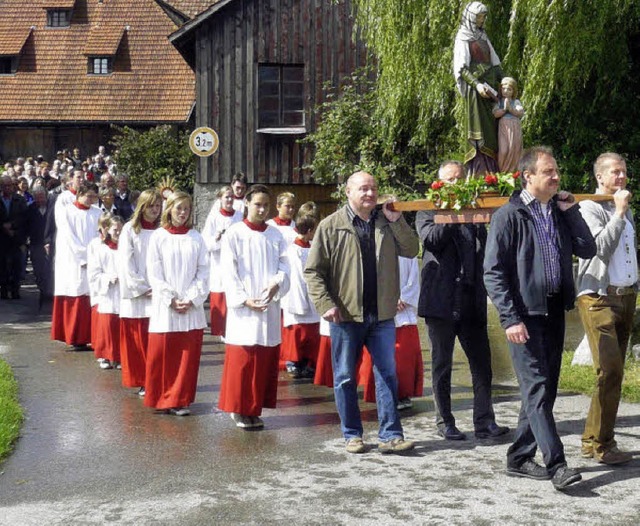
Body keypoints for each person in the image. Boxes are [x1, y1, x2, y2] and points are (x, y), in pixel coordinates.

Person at [484, 146, 597, 490]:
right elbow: (493, 272)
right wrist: (509, 318)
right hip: (524, 316)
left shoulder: (559, 212)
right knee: (535, 388)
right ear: (528, 176)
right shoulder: (509, 215)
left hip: (553, 310)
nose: (556, 176)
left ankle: (519, 457)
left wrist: (573, 211)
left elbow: (588, 249)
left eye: (556, 171)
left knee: (542, 390)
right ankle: (557, 464)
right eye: (548, 171)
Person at [304, 171, 419, 454]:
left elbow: (412, 249)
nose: (369, 194)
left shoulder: (386, 223)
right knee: (344, 377)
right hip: (346, 315)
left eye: (373, 189)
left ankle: (391, 435)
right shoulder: (331, 226)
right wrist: (325, 304)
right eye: (363, 189)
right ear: (348, 192)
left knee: (387, 375)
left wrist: (398, 221)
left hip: (381, 315)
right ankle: (352, 435)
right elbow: (313, 272)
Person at [416, 161, 508, 440]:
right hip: (442, 302)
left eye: (459, 180)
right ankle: (445, 421)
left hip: (471, 299)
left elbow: (487, 252)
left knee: (482, 365)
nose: (455, 185)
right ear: (439, 184)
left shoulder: (475, 213)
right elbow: (432, 240)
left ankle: (484, 420)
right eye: (449, 181)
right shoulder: (426, 210)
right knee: (442, 365)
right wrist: (451, 211)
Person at [575, 152, 636, 465]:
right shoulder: (589, 208)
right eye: (616, 173)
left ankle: (591, 440)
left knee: (612, 373)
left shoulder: (625, 210)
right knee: (609, 370)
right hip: (598, 297)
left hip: (626, 297)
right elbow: (599, 249)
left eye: (624, 172)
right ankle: (603, 444)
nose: (622, 178)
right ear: (600, 177)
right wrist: (619, 212)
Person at [217, 184, 290, 429]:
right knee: (243, 359)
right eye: (257, 204)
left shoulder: (275, 235)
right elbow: (228, 269)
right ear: (246, 203)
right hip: (244, 308)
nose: (262, 209)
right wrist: (243, 298)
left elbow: (285, 266)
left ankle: (254, 408)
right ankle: (239, 408)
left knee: (263, 359)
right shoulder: (234, 233)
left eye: (266, 205)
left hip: (268, 304)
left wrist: (276, 285)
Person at [145, 192, 208, 416]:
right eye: (178, 208)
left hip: (191, 307)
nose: (182, 213)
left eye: (187, 209)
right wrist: (170, 299)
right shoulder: (158, 237)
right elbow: (154, 272)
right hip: (166, 307)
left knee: (186, 357)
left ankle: (180, 400)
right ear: (169, 209)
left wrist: (190, 299)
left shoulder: (196, 237)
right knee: (164, 355)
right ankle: (163, 398)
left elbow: (203, 272)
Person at [118, 190, 163, 395]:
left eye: (158, 205)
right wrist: (142, 287)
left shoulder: (163, 231)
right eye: (151, 205)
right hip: (138, 294)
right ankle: (142, 378)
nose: (155, 209)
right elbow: (126, 262)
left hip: (158, 292)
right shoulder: (130, 229)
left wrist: (159, 287)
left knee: (154, 339)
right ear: (142, 206)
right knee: (138, 340)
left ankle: (154, 379)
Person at [453, 2, 503, 176]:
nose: (481, 20)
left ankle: (494, 171)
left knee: (494, 131)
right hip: (477, 93)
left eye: (483, 17)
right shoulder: (463, 37)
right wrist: (477, 84)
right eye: (478, 17)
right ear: (471, 17)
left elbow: (495, 64)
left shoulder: (483, 36)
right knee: (480, 132)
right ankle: (480, 172)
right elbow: (461, 69)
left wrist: (504, 82)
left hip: (491, 92)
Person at [50, 182, 101, 350]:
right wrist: (85, 257)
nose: (92, 200)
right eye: (89, 196)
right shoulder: (67, 212)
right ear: (80, 193)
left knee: (93, 296)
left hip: (95, 261)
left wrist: (97, 257)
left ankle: (92, 336)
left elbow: (102, 235)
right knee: (77, 292)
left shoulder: (98, 213)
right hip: (74, 261)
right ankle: (75, 337)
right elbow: (69, 238)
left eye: (94, 197)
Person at [280, 212, 320, 379]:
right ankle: (293, 363)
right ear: (309, 231)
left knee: (310, 334)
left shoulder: (312, 248)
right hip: (297, 297)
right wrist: (299, 301)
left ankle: (305, 362)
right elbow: (296, 277)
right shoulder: (292, 251)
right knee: (297, 333)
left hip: (311, 298)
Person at [201, 185, 243, 338]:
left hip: (235, 261)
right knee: (220, 293)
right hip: (218, 262)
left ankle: (233, 327)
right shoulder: (214, 217)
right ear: (220, 199)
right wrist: (217, 239)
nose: (230, 199)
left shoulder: (239, 215)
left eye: (232, 196)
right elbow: (205, 242)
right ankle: (220, 330)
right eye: (226, 196)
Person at [88, 215, 124, 370]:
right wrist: (108, 278)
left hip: (123, 292)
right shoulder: (101, 248)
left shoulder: (127, 247)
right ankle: (105, 355)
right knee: (107, 324)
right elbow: (94, 273)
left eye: (121, 230)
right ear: (108, 229)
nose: (118, 233)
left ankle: (119, 357)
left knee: (121, 325)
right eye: (116, 230)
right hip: (108, 291)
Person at [0, 175, 28, 300]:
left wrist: (12, 226)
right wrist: (3, 227)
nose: (7, 188)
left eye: (9, 185)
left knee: (17, 265)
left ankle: (15, 290)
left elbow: (24, 217)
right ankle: (4, 290)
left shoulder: (20, 200)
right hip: (1, 238)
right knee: (2, 266)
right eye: (4, 186)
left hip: (16, 237)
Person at [493, 77, 524, 172]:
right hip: (504, 126)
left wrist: (510, 109)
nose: (505, 91)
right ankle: (502, 171)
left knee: (514, 149)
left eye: (509, 89)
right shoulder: (499, 102)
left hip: (515, 127)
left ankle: (513, 172)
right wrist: (504, 109)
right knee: (504, 150)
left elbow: (520, 112)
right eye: (503, 89)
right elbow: (495, 113)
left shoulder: (516, 102)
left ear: (513, 91)